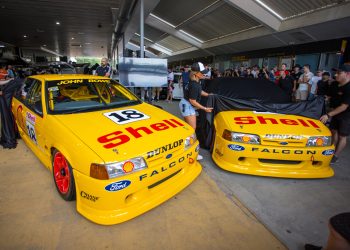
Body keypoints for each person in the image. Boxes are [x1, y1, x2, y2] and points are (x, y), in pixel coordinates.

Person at [179, 62, 213, 160]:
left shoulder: (196, 81)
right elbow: (192, 101)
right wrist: (205, 108)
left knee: (189, 129)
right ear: (196, 73)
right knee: (191, 130)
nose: (204, 74)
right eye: (202, 72)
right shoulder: (194, 84)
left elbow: (200, 91)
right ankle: (191, 152)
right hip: (188, 105)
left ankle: (186, 150)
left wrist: (208, 95)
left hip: (187, 105)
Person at [320, 64, 350, 164]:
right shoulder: (334, 84)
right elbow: (329, 96)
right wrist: (326, 99)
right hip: (334, 111)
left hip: (346, 115)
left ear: (347, 74)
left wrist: (328, 115)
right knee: (333, 131)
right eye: (336, 72)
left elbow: (344, 106)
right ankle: (331, 151)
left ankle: (335, 156)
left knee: (342, 136)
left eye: (339, 73)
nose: (336, 75)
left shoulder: (349, 87)